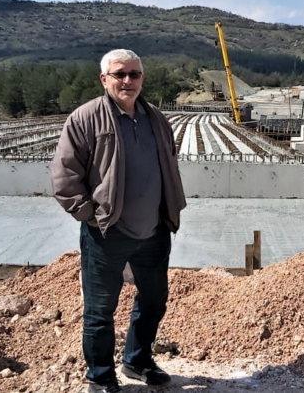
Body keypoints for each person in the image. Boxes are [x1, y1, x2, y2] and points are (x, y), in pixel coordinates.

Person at [51, 49, 186, 393]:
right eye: (119, 74)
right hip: (106, 232)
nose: (127, 81)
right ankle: (100, 376)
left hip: (154, 230)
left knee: (154, 299)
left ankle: (137, 360)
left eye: (134, 74)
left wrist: (168, 210)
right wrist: (90, 217)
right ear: (104, 79)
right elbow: (65, 176)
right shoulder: (86, 118)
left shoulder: (156, 119)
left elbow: (169, 165)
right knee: (100, 309)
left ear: (142, 78)